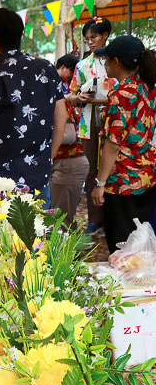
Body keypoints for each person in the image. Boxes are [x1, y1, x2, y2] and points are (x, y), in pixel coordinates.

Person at [0, 8, 67, 202]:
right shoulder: (47, 68)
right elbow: (61, 117)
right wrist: (47, 158)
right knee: (36, 230)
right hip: (38, 181)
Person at [90, 36, 156, 254]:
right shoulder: (145, 88)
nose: (105, 65)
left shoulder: (122, 94)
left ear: (116, 61)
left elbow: (113, 145)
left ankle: (129, 288)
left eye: (106, 60)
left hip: (122, 182)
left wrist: (100, 183)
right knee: (140, 246)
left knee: (123, 250)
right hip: (145, 178)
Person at [67, 17, 114, 237]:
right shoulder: (82, 65)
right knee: (91, 171)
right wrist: (80, 96)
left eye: (94, 37)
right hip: (88, 123)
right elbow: (71, 93)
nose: (91, 42)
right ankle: (95, 220)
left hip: (114, 121)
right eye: (87, 39)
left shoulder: (117, 61)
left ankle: (115, 217)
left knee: (114, 167)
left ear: (105, 35)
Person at [50, 54, 88, 229]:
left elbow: (68, 135)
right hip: (63, 163)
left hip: (67, 163)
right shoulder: (58, 95)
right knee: (59, 217)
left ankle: (65, 254)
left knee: (61, 220)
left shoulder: (60, 98)